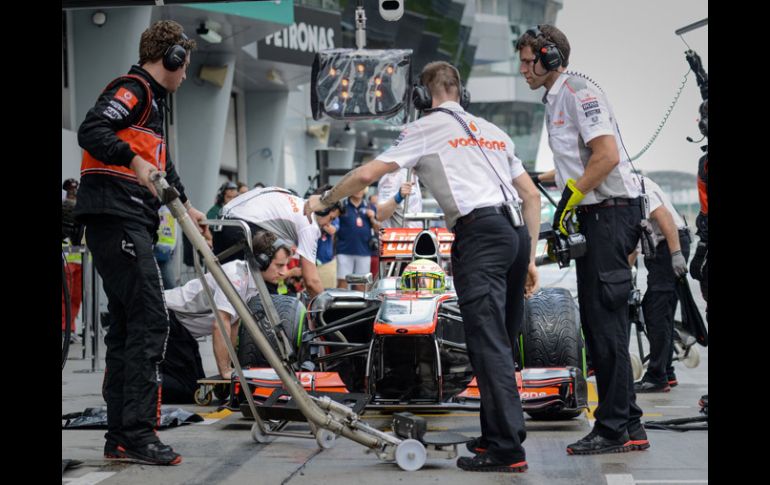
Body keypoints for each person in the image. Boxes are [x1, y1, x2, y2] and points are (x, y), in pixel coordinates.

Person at [305, 60, 541, 473]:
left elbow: (367, 172)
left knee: (489, 346)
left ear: (421, 97)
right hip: (516, 235)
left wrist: (324, 199)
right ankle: (495, 437)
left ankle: (507, 449)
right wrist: (531, 257)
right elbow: (530, 196)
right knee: (500, 343)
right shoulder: (494, 132)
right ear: (461, 93)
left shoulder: (424, 128)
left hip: (480, 234)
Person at [74, 20, 207, 466]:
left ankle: (122, 435)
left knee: (130, 328)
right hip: (117, 217)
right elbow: (92, 130)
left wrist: (189, 210)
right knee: (151, 320)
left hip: (126, 221)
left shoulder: (154, 107)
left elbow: (162, 170)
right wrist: (132, 160)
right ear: (169, 59)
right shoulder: (134, 89)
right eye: (183, 65)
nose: (185, 75)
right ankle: (136, 433)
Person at [517, 24, 648, 455]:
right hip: (598, 215)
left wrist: (570, 198)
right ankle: (629, 424)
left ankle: (612, 429)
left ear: (550, 58)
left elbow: (606, 155)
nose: (523, 69)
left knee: (604, 322)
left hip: (608, 215)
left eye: (528, 60)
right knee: (600, 322)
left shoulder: (576, 93)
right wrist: (542, 179)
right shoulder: (557, 98)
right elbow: (579, 161)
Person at [162, 232, 292, 401]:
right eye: (280, 265)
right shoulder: (236, 277)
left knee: (194, 383)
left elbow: (233, 324)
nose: (285, 272)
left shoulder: (252, 283)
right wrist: (225, 371)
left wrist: (231, 368)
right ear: (261, 261)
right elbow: (220, 325)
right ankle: (133, 383)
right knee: (185, 390)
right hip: (165, 317)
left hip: (182, 331)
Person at [213, 186, 341, 298]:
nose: (329, 224)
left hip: (222, 224)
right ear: (322, 210)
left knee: (224, 291)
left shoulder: (296, 201)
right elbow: (311, 281)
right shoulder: (309, 224)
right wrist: (325, 311)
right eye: (331, 218)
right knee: (270, 285)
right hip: (241, 229)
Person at [631, 177, 690, 393]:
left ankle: (657, 377)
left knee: (656, 311)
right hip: (661, 249)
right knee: (660, 310)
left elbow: (663, 216)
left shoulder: (636, 187)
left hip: (668, 246)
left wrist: (675, 254)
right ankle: (666, 371)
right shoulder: (627, 187)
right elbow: (634, 248)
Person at [335, 188, 379, 290]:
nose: (358, 189)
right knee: (342, 283)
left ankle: (360, 306)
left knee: (362, 285)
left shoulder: (370, 206)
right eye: (356, 186)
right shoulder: (342, 206)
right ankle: (341, 305)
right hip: (344, 250)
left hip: (364, 251)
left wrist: (372, 218)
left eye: (362, 187)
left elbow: (378, 229)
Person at [62, 178, 84, 339]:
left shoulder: (84, 210)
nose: (72, 193)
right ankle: (65, 328)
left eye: (75, 190)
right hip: (67, 259)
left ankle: (71, 328)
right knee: (65, 296)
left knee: (76, 297)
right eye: (70, 190)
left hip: (82, 260)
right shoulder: (63, 209)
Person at [154, 205, 178, 289]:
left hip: (168, 250)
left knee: (170, 285)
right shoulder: (150, 200)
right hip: (152, 248)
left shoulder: (172, 205)